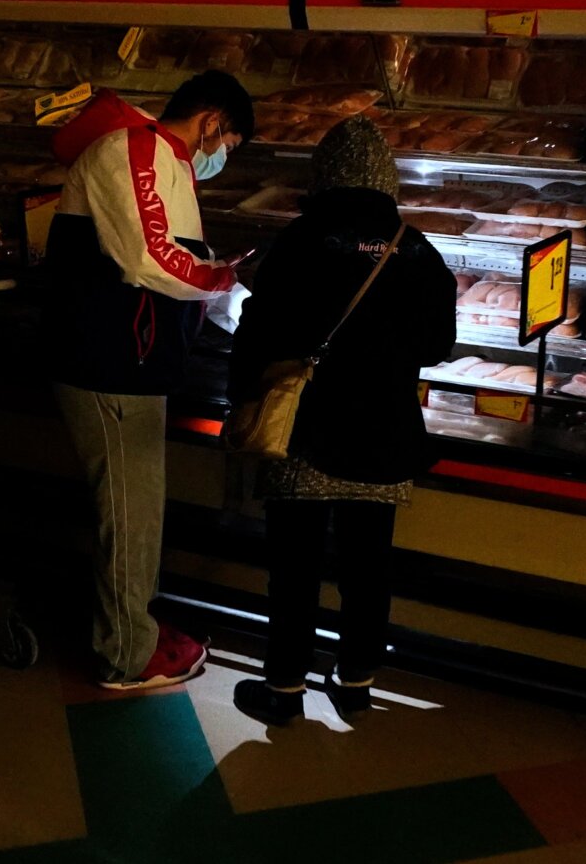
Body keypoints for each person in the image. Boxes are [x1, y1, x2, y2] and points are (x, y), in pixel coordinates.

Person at [226, 116, 457, 727]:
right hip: (386, 433)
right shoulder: (416, 247)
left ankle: (283, 691)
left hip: (306, 429)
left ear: (324, 174)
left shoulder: (301, 240)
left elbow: (259, 327)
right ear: (386, 179)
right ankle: (355, 681)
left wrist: (240, 396)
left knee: (295, 569)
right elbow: (439, 344)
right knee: (368, 568)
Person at [44, 70, 255, 690]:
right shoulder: (134, 148)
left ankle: (135, 624)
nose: (223, 156)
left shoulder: (168, 165)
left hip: (134, 362)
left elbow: (183, 260)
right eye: (231, 143)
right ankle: (125, 656)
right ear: (213, 120)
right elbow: (148, 258)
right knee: (129, 511)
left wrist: (242, 312)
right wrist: (222, 282)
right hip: (106, 361)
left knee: (140, 509)